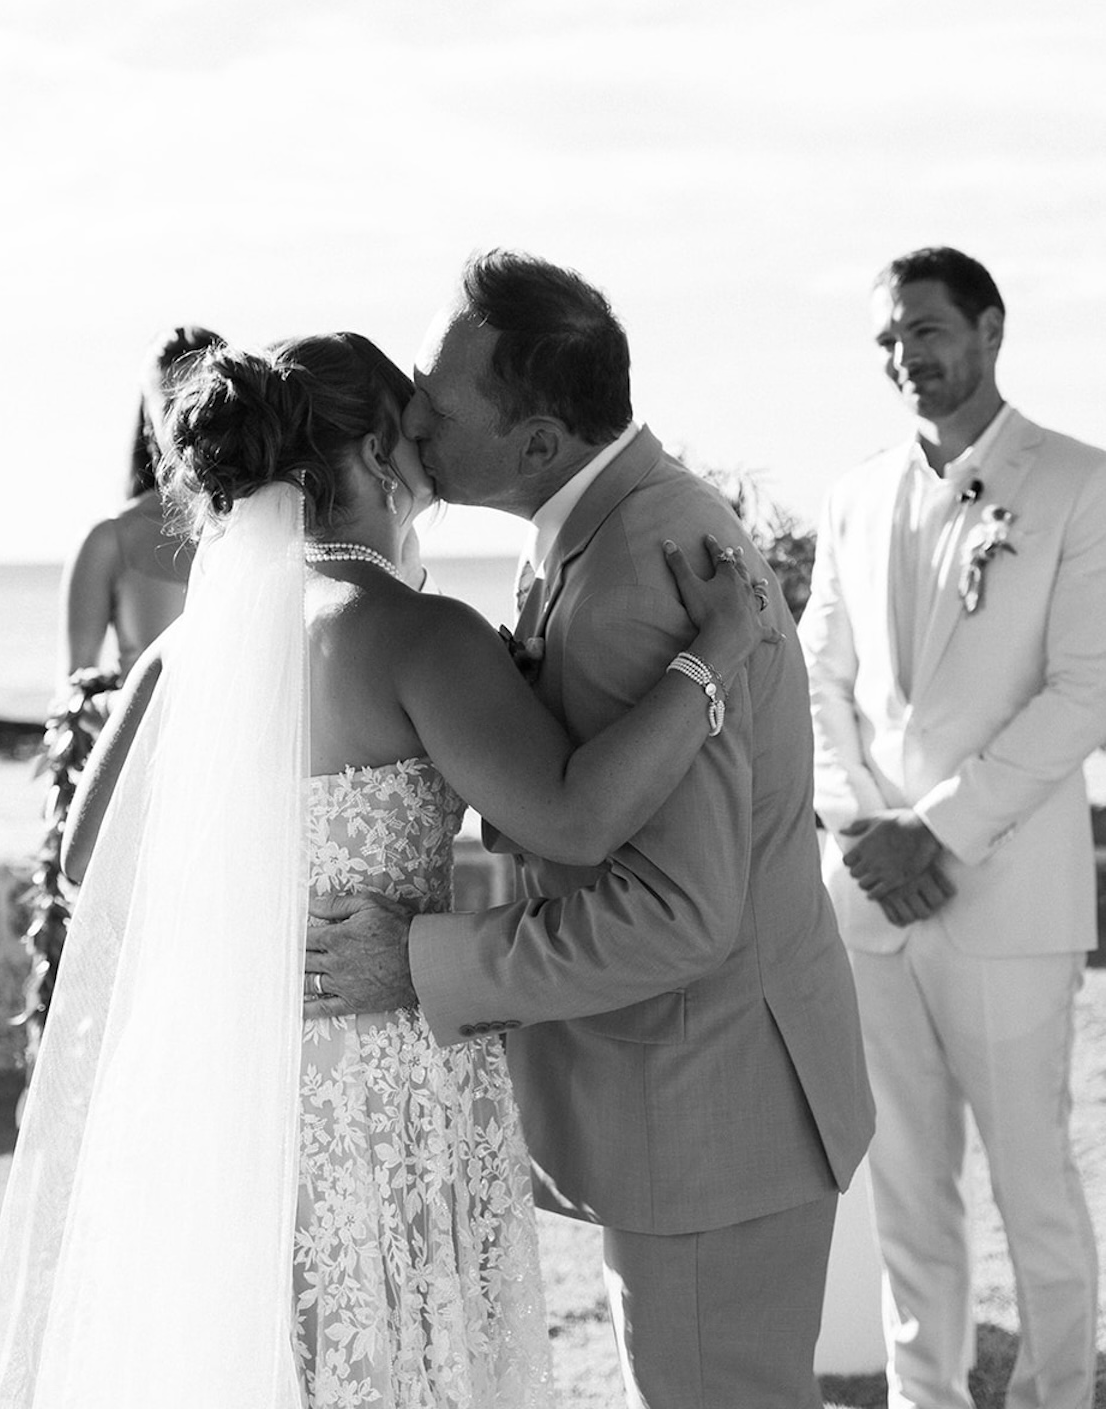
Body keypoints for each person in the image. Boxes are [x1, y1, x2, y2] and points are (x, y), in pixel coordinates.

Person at [0, 331, 776, 1409]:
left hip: (230, 1083)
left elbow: (84, 860)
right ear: (381, 453)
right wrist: (705, 662)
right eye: (421, 442)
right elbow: (575, 821)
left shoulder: (182, 651)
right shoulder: (415, 634)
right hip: (378, 1092)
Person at [309, 254, 875, 1409]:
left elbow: (677, 916)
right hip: (703, 1096)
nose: (408, 418)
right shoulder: (601, 528)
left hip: (712, 1105)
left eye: (436, 401)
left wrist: (418, 961)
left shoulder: (629, 573)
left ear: (537, 442)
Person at [798, 246, 1106, 1409]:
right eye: (885, 338)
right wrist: (857, 828)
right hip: (868, 901)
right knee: (905, 1195)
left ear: (987, 331)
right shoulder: (850, 494)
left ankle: (1055, 1393)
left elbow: (1082, 690)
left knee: (1033, 1189)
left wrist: (932, 831)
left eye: (922, 331)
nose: (902, 357)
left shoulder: (1078, 481)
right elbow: (813, 677)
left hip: (1004, 895)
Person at [58, 323, 225, 687]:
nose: (188, 417)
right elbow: (70, 697)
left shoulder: (272, 526)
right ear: (148, 417)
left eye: (201, 397)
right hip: (145, 743)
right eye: (169, 403)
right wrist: (109, 703)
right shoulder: (107, 540)